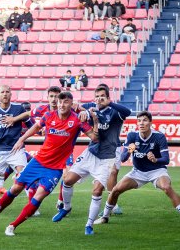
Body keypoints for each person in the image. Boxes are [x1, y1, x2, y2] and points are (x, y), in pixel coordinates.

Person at [0, 91, 99, 236]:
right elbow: (35, 127)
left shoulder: (77, 120)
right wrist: (21, 140)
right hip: (38, 161)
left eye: (65, 102)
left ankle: (13, 225)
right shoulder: (48, 115)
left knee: (38, 197)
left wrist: (95, 121)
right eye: (60, 102)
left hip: (55, 169)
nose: (61, 104)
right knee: (15, 188)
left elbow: (95, 138)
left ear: (71, 104)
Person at [94, 111, 180, 229]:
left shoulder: (159, 136)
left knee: (167, 187)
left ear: (150, 122)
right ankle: (104, 217)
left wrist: (155, 159)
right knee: (116, 190)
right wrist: (129, 150)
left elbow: (166, 160)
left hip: (157, 171)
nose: (141, 123)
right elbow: (122, 158)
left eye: (145, 120)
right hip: (138, 172)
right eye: (139, 121)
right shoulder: (132, 135)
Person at [52, 85, 131, 235]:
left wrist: (109, 104)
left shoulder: (115, 111)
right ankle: (66, 207)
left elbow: (127, 112)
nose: (99, 99)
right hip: (91, 153)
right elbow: (79, 109)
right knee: (67, 180)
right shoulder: (91, 107)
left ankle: (89, 225)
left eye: (103, 96)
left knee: (97, 190)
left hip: (107, 158)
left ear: (108, 98)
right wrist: (82, 112)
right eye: (97, 96)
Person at [0, 85, 33, 214]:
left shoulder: (18, 108)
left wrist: (25, 135)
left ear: (11, 94)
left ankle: (32, 207)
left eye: (7, 92)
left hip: (16, 150)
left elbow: (31, 124)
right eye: (2, 92)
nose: (5, 94)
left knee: (24, 176)